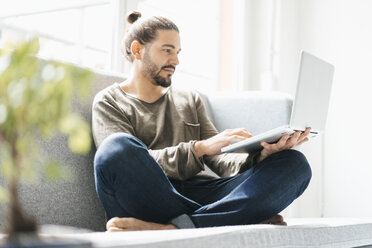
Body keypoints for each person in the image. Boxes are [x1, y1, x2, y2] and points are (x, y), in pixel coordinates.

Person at [92, 11, 312, 231]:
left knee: (295, 165)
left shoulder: (189, 99)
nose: (175, 61)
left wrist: (261, 156)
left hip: (201, 195)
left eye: (177, 52)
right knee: (116, 147)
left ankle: (177, 227)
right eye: (167, 50)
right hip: (151, 198)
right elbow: (125, 163)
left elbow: (220, 160)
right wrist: (198, 149)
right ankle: (228, 217)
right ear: (137, 50)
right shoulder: (109, 101)